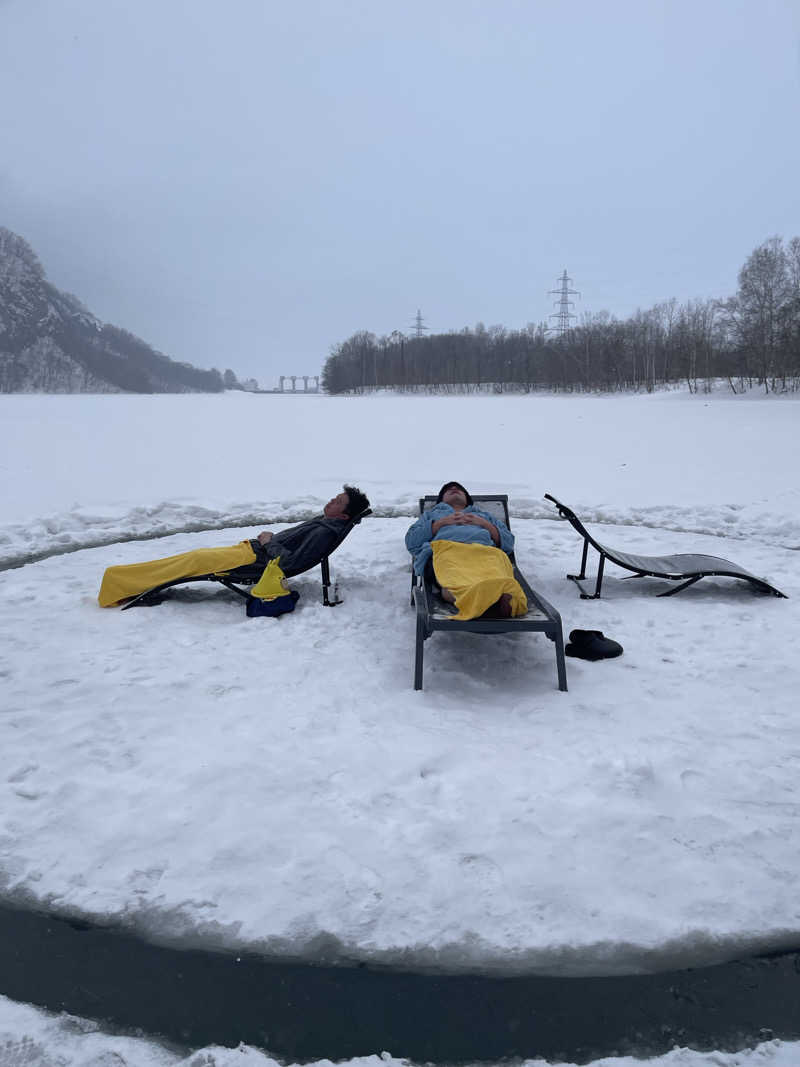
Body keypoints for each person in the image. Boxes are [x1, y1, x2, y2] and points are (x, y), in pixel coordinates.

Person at [98, 485, 370, 607]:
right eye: (334, 497)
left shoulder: (324, 532)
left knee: (194, 560)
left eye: (337, 502)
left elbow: (288, 564)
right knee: (194, 558)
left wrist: (269, 541)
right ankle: (122, 580)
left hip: (254, 561)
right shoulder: (327, 522)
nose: (330, 501)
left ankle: (121, 582)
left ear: (344, 516)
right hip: (250, 552)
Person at [405, 481, 527, 620]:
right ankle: (492, 600)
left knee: (496, 568)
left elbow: (509, 543)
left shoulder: (484, 516)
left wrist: (483, 523)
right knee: (454, 577)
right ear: (441, 500)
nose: (454, 488)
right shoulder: (431, 516)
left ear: (467, 499)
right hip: (447, 551)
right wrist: (440, 523)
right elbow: (411, 542)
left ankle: (482, 598)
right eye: (448, 489)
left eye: (459, 489)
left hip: (485, 552)